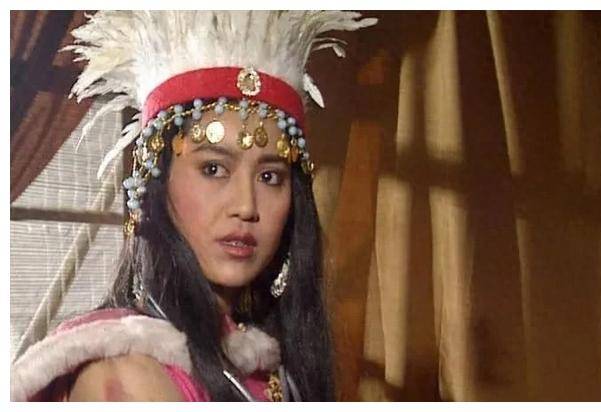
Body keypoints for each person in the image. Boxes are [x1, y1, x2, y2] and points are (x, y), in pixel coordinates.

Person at [10, 11, 377, 401]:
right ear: (155, 184)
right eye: (213, 169)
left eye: (270, 176)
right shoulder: (126, 375)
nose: (246, 206)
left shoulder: (263, 355)